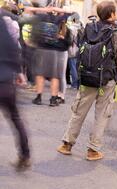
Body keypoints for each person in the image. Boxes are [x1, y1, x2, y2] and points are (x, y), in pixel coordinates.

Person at [57, 0, 117, 161]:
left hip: (87, 76)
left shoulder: (89, 27)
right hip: (106, 78)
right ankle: (93, 150)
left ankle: (67, 144)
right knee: (102, 114)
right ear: (112, 14)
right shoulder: (116, 33)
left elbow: (81, 49)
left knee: (79, 110)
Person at [0, 8, 31, 170]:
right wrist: (19, 72)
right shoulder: (3, 24)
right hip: (6, 82)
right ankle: (25, 155)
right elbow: (14, 48)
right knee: (15, 118)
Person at [26, 5, 72, 107]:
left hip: (41, 49)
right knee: (54, 76)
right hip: (53, 51)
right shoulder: (57, 19)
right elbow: (69, 11)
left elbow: (28, 9)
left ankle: (39, 97)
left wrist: (44, 9)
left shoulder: (40, 17)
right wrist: (54, 9)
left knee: (40, 74)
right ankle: (53, 98)